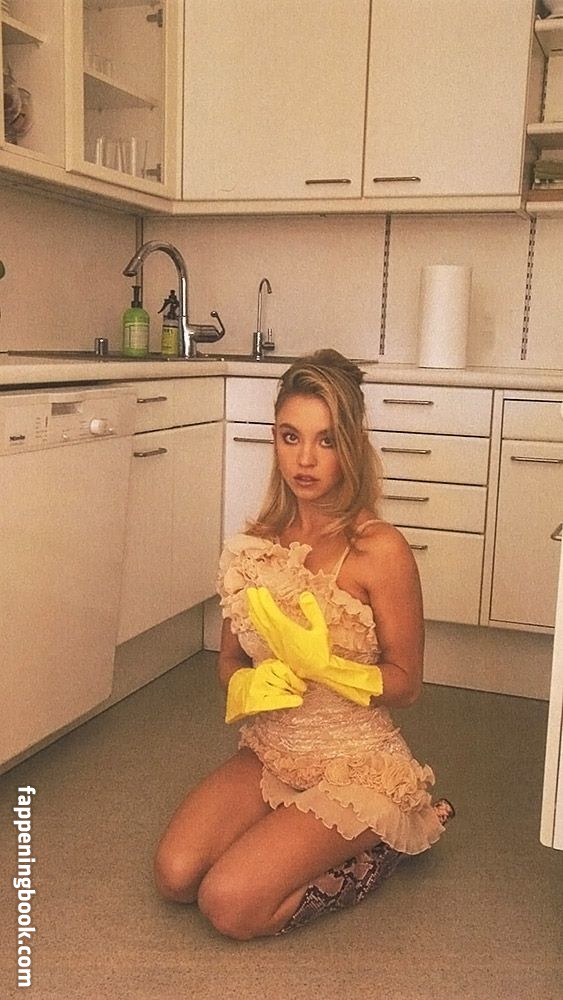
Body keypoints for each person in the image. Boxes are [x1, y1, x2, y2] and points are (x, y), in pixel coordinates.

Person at [153, 349, 454, 939]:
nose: (306, 459)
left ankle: (391, 838)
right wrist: (246, 683)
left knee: (229, 905)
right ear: (275, 438)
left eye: (326, 440)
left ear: (352, 445)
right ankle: (300, 835)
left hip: (357, 765)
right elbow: (229, 659)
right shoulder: (255, 545)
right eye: (291, 437)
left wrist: (332, 668)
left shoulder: (379, 549)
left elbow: (407, 684)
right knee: (175, 876)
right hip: (273, 750)